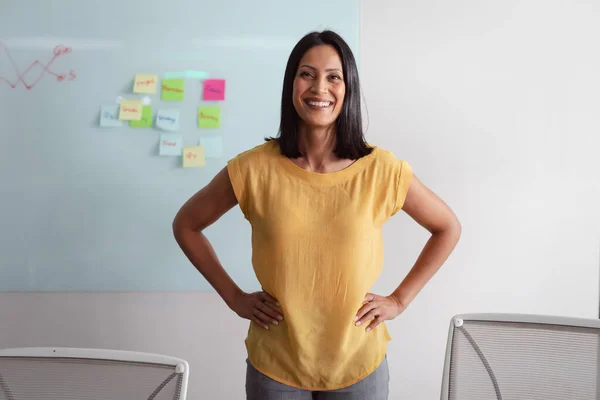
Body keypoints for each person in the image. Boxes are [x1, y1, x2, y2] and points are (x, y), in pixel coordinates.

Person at [172, 30, 461, 400]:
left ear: (348, 88)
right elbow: (187, 225)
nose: (319, 88)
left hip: (359, 364)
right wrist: (234, 297)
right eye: (307, 74)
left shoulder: (382, 170)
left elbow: (447, 227)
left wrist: (400, 300)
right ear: (292, 84)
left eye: (333, 76)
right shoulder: (253, 169)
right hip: (276, 366)